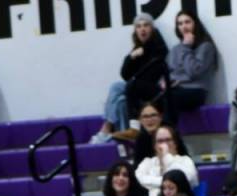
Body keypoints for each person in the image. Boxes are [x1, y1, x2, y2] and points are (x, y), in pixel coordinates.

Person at [91, 14, 168, 143]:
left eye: (146, 25)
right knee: (120, 99)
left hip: (154, 90)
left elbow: (151, 76)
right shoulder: (137, 49)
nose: (142, 29)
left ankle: (108, 129)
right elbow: (125, 74)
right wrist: (131, 58)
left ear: (152, 29)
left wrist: (141, 54)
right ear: (135, 30)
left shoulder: (158, 48)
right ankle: (117, 135)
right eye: (138, 26)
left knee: (124, 87)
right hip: (136, 89)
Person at [166, 10, 217, 120]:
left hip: (195, 91)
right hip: (176, 89)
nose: (184, 26)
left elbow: (193, 71)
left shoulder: (206, 46)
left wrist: (185, 47)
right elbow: (168, 71)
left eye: (187, 22)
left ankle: (169, 133)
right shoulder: (176, 49)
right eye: (180, 23)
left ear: (195, 24)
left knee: (169, 98)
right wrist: (164, 82)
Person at [135, 124, 198, 196]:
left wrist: (166, 156)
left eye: (168, 140)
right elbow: (139, 179)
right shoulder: (147, 162)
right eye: (160, 141)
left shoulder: (185, 160)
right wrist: (166, 183)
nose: (164, 144)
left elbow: (186, 179)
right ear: (154, 145)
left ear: (175, 143)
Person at [132, 102, 164, 167]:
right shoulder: (141, 139)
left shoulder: (170, 134)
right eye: (145, 116)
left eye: (153, 115)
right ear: (140, 120)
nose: (149, 119)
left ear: (160, 117)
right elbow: (137, 166)